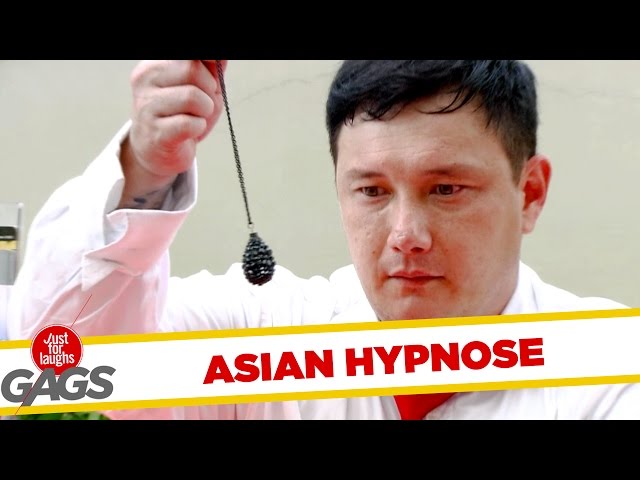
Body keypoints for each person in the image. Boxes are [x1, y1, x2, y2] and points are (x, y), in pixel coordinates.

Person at [7, 60, 640, 419]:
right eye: (371, 191)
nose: (406, 236)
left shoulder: (611, 377)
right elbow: (63, 361)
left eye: (447, 189)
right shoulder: (259, 340)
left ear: (530, 193)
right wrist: (145, 169)